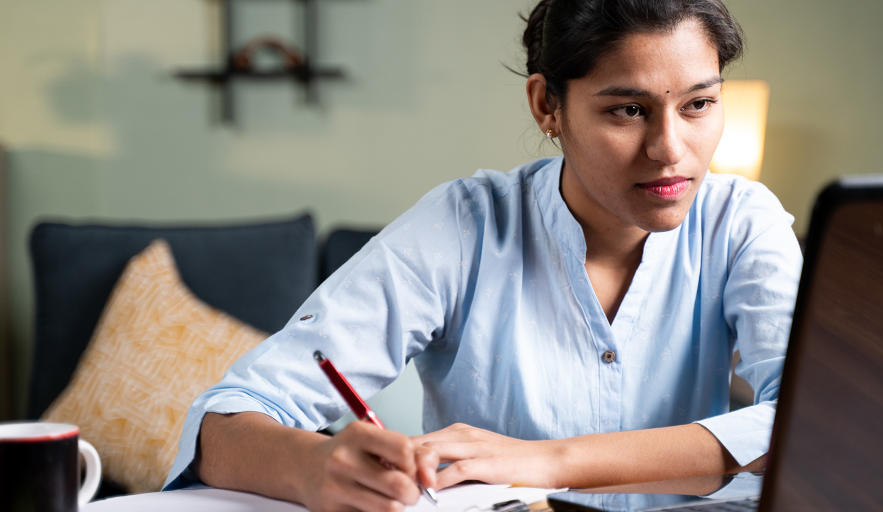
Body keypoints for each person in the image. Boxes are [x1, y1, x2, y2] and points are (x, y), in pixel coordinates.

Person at [165, 1, 802, 511]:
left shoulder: (742, 221)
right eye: (629, 110)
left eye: (699, 104)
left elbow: (807, 427)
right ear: (547, 105)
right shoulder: (463, 226)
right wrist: (317, 467)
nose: (670, 149)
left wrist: (551, 462)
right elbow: (225, 422)